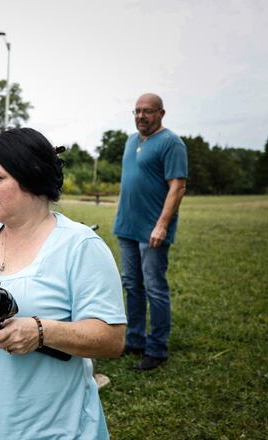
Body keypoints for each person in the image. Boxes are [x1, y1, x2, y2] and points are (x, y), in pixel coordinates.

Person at [0, 128, 126, 439]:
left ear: (31, 176)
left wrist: (41, 331)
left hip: (53, 430)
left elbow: (112, 339)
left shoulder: (81, 246)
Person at [114, 93, 188, 371]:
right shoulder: (131, 141)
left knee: (154, 287)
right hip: (127, 226)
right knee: (132, 285)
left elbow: (177, 186)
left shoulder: (171, 143)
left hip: (153, 229)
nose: (141, 116)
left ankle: (156, 349)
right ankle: (134, 340)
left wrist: (162, 224)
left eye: (147, 111)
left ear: (161, 113)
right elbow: (129, 182)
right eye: (136, 111)